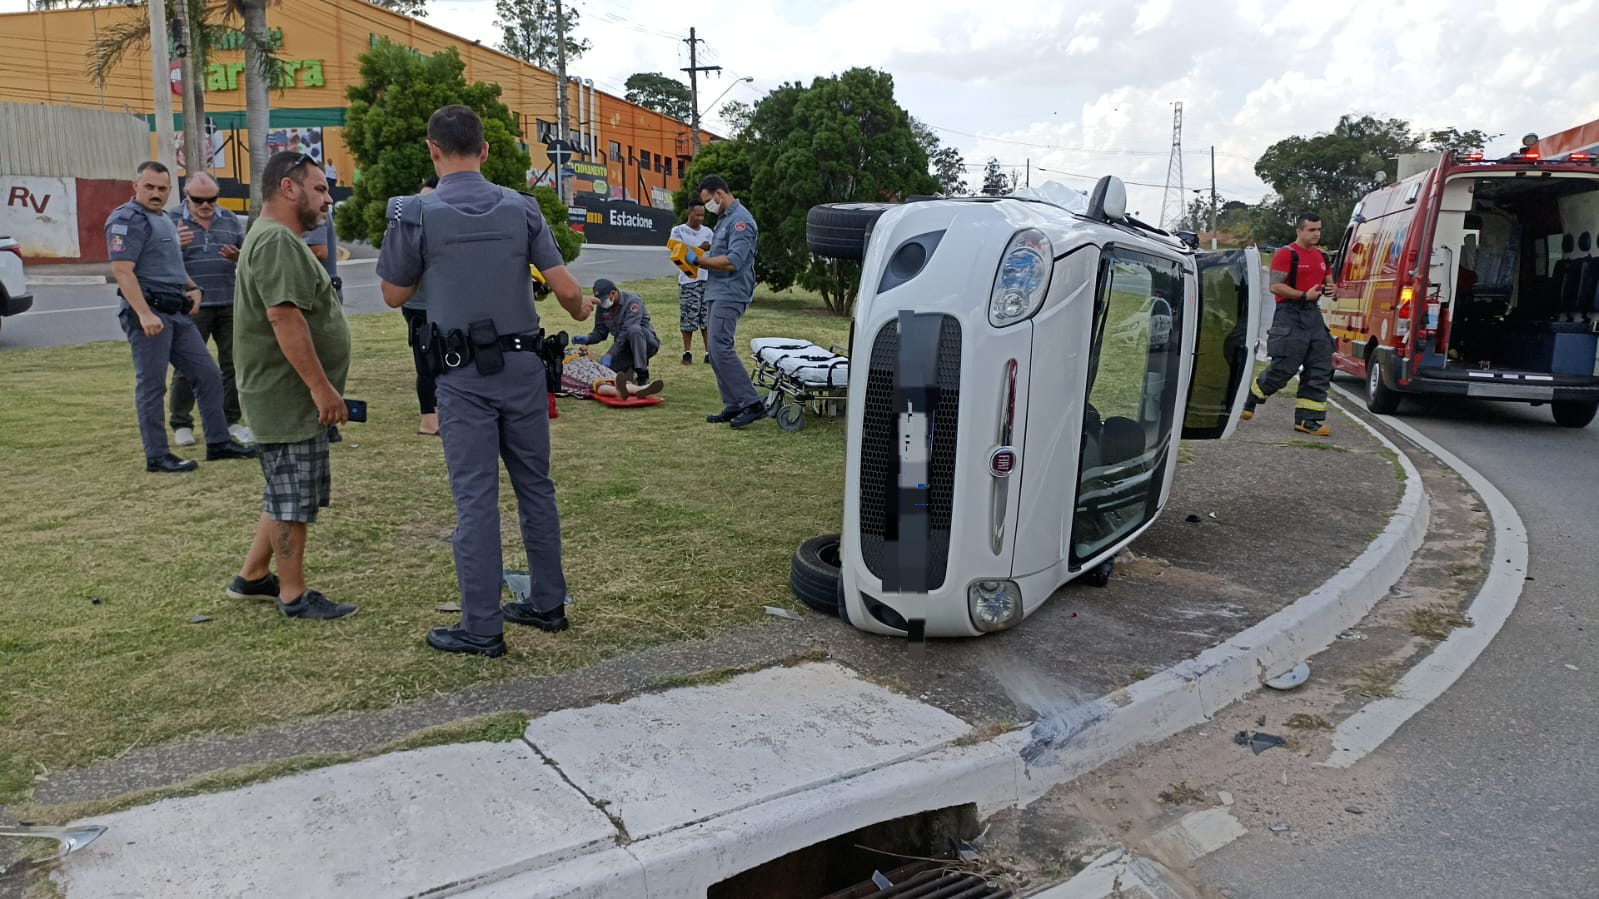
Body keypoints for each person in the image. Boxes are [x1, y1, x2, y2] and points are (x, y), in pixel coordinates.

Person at [377, 104, 595, 658]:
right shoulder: (521, 209)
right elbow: (567, 291)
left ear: (432, 150)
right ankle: (548, 604)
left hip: (460, 375)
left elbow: (393, 294)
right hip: (523, 368)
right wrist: (581, 311)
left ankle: (481, 628)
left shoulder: (413, 213)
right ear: (486, 150)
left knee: (475, 500)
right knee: (536, 488)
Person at [225, 152, 357, 621]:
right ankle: (293, 594)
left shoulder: (273, 238)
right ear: (288, 188)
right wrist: (322, 390)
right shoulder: (278, 240)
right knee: (291, 499)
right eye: (319, 189)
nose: (327, 199)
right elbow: (284, 317)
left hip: (284, 395)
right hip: (287, 397)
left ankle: (253, 576)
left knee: (284, 489)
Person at [105, 161, 256, 473]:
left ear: (170, 190)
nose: (156, 193)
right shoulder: (127, 219)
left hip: (176, 310)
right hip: (150, 312)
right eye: (149, 186)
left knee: (208, 374)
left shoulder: (163, 220)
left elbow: (170, 264)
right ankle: (157, 455)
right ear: (136, 186)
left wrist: (193, 287)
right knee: (152, 385)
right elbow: (122, 270)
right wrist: (144, 314)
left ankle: (218, 442)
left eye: (162, 188)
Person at [167, 171, 253, 447]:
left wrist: (238, 256)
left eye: (212, 199)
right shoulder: (171, 221)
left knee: (232, 364)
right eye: (199, 200)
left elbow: (247, 257)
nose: (206, 205)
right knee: (188, 365)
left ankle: (230, 420)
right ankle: (181, 422)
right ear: (186, 196)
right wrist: (173, 245)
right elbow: (158, 261)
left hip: (228, 301)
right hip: (192, 307)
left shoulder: (229, 219)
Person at [1241, 212, 1337, 436]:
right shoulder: (1287, 254)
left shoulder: (1323, 257)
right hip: (1289, 314)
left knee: (1321, 366)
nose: (1316, 234)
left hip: (1313, 316)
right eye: (1311, 230)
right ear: (1299, 231)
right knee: (1285, 367)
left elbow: (1330, 285)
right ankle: (1251, 397)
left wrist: (1332, 290)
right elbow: (1275, 286)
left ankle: (1308, 420)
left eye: (1319, 229)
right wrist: (1303, 295)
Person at [687, 175, 764, 428]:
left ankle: (752, 403)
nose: (707, 206)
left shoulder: (741, 221)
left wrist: (699, 261)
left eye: (709, 200)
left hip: (730, 291)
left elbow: (733, 261)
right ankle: (732, 404)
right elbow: (720, 254)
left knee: (720, 347)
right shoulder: (724, 220)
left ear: (720, 194)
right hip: (717, 290)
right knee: (716, 350)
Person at [572, 279, 663, 399]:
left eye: (604, 299)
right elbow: (600, 332)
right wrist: (587, 339)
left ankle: (642, 374)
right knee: (606, 374)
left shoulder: (632, 301)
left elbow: (627, 332)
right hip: (623, 349)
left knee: (633, 330)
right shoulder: (602, 306)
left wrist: (610, 353)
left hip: (646, 344)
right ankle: (631, 386)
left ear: (613, 293)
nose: (602, 303)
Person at [401, 176, 442, 435]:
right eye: (421, 199)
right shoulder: (410, 228)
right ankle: (428, 419)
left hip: (447, 303)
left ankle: (443, 410)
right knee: (425, 361)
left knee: (447, 360)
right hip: (417, 305)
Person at [669, 200, 714, 364]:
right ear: (690, 214)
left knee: (707, 318)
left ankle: (709, 352)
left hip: (707, 279)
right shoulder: (678, 231)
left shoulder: (709, 232)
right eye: (698, 215)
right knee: (688, 318)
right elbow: (677, 253)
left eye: (703, 215)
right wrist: (700, 248)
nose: (701, 218)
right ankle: (687, 352)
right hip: (689, 281)